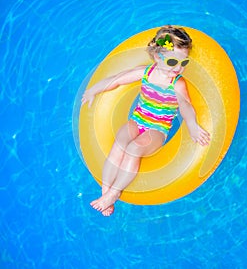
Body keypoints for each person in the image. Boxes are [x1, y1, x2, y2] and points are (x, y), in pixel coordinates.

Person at [81, 25, 210, 216]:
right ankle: (105, 192)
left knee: (134, 149)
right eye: (173, 61)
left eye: (183, 63)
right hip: (138, 119)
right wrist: (93, 90)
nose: (178, 68)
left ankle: (114, 194)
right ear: (158, 58)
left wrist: (192, 126)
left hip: (157, 128)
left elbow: (186, 106)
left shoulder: (177, 83)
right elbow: (117, 79)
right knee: (120, 143)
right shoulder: (146, 73)